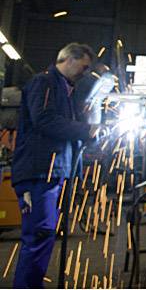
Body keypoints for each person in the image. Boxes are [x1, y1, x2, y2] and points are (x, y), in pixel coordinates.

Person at [11, 43, 103, 288]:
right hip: (38, 172)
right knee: (39, 236)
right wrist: (86, 130)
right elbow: (44, 120)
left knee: (44, 236)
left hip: (53, 171)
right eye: (83, 67)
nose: (84, 73)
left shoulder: (66, 89)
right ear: (69, 59)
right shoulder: (44, 83)